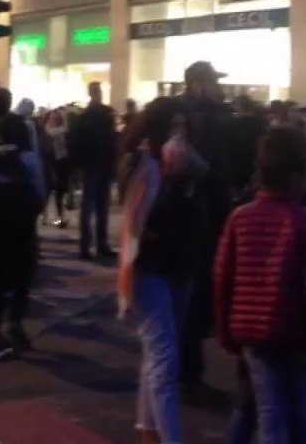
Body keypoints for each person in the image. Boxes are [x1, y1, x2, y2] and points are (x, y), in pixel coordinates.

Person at [216, 126, 306, 444]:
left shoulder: (239, 218)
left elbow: (223, 278)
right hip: (299, 333)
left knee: (268, 412)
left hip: (253, 333)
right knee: (299, 415)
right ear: (297, 176)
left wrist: (226, 332)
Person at [118, 98, 207, 444]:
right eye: (172, 127)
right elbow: (140, 222)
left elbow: (202, 211)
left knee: (157, 359)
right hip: (149, 268)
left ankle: (149, 433)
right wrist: (172, 182)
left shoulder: (191, 168)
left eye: (183, 127)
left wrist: (189, 176)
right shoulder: (141, 164)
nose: (178, 134)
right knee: (165, 362)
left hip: (179, 266)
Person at [179, 61, 237, 402]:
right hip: (201, 213)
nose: (219, 88)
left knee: (194, 291)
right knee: (196, 291)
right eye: (213, 82)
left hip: (199, 213)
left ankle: (187, 366)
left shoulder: (194, 116)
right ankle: (188, 370)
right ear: (197, 84)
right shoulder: (207, 119)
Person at [0, 115, 47, 355]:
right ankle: (14, 321)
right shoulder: (30, 159)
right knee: (21, 275)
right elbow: (40, 194)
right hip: (22, 229)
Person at [68, 81, 117, 260]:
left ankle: (90, 245)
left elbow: (75, 142)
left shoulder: (86, 116)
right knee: (96, 206)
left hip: (95, 164)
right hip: (97, 163)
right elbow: (111, 140)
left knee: (93, 206)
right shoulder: (100, 115)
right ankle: (95, 244)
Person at [45, 109, 72, 227]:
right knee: (59, 192)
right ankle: (59, 216)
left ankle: (49, 216)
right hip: (61, 162)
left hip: (54, 163)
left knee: (53, 191)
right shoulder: (65, 132)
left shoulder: (47, 134)